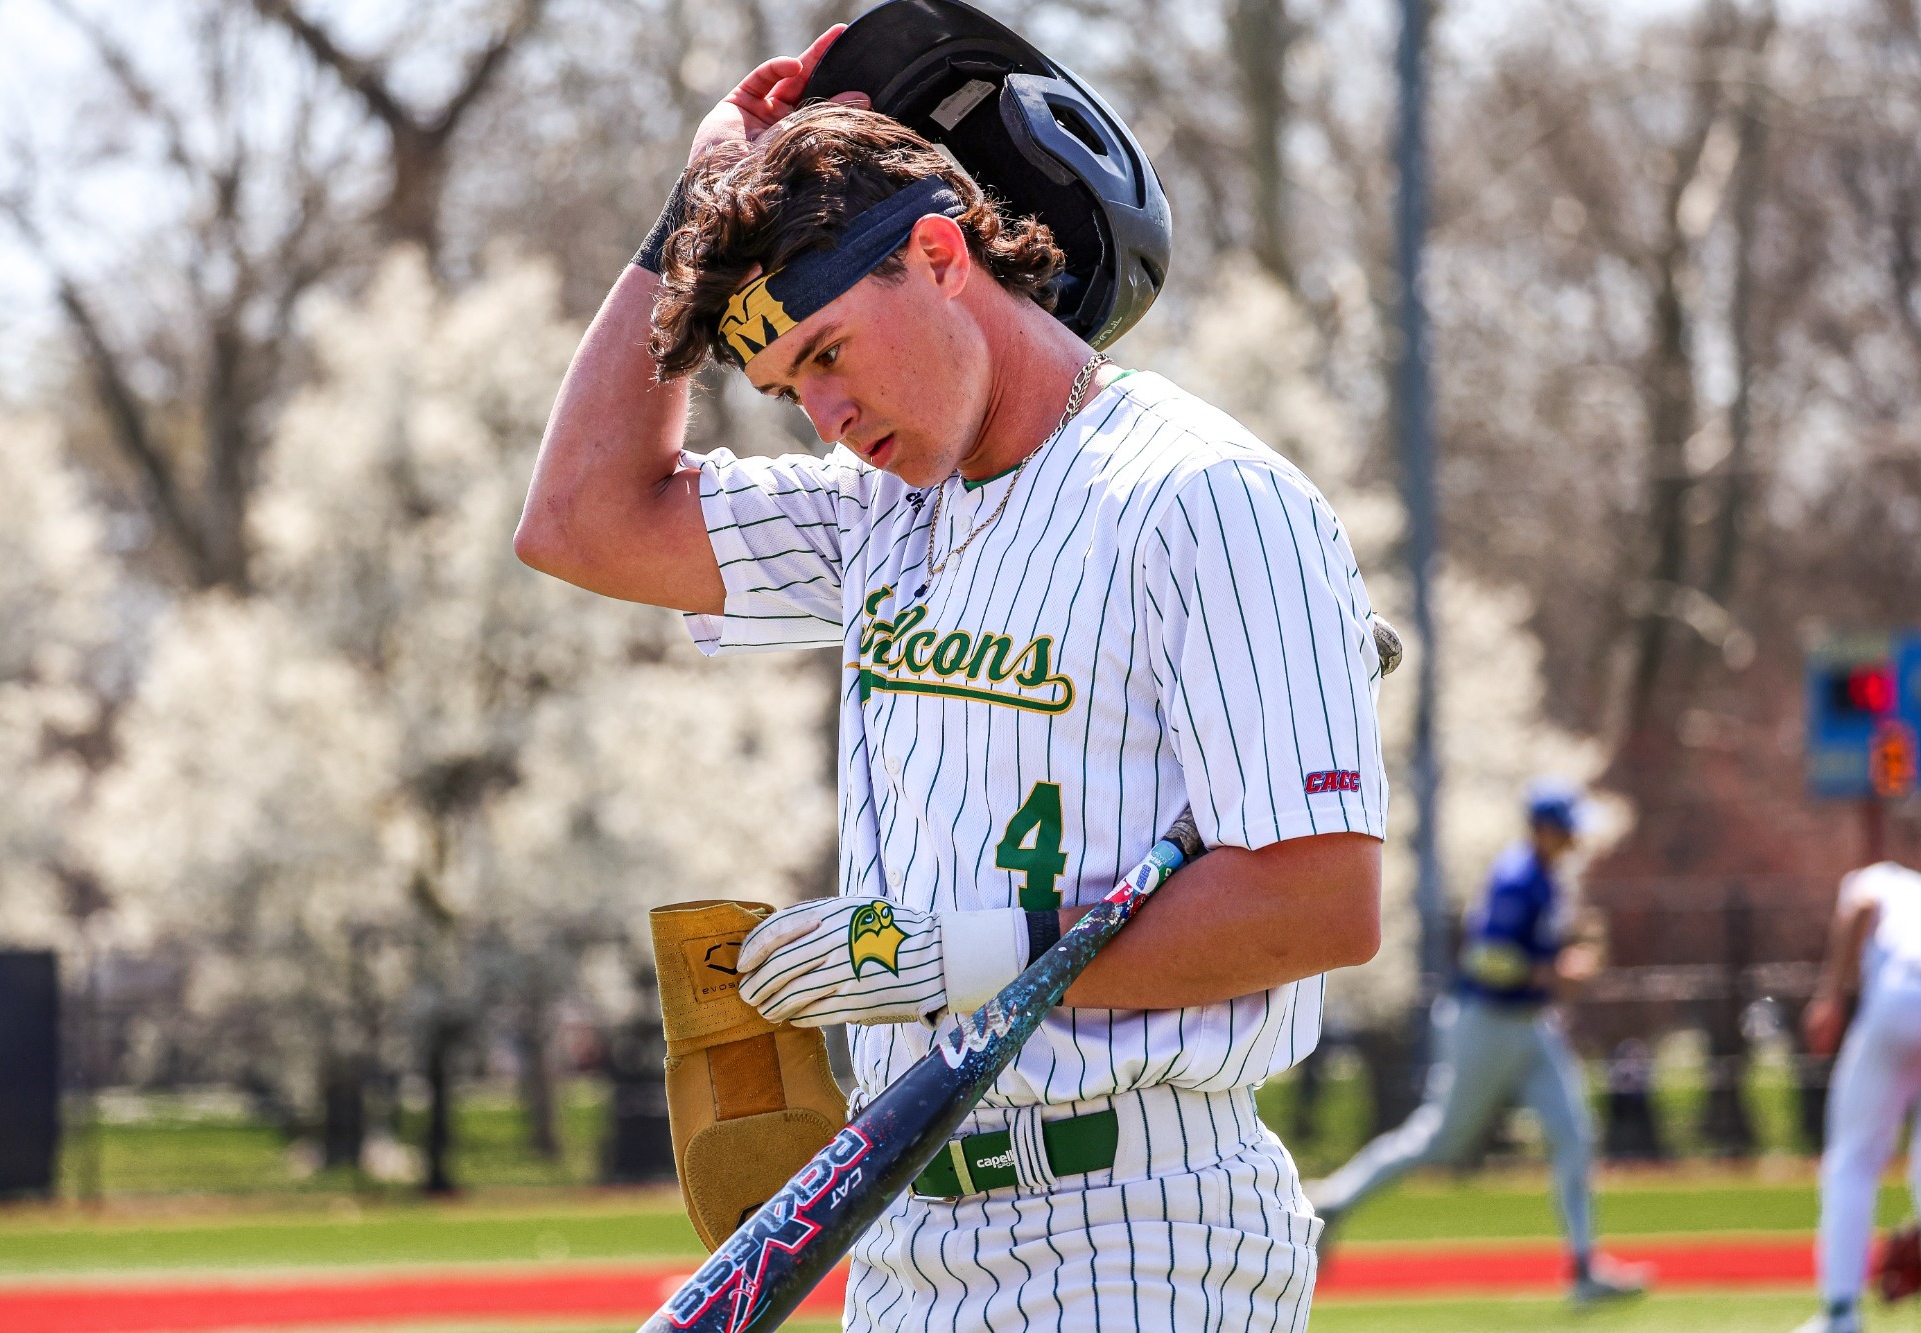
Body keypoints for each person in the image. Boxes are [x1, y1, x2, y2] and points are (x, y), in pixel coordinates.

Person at [513, 9, 1387, 1327]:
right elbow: (580, 518)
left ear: (937, 254)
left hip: (1140, 1229)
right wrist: (692, 202)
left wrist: (940, 956)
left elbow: (1319, 906)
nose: (831, 418)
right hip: (899, 1231)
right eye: (789, 391)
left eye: (828, 356)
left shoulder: (1205, 497)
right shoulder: (886, 513)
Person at [1304, 782, 1649, 1306]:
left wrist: (1565, 951)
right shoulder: (1517, 879)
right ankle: (1331, 1202)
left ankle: (1583, 1270)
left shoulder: (1545, 875)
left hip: (1528, 1023)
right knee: (1440, 1139)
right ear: (1543, 829)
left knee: (1574, 1133)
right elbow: (1487, 959)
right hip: (1486, 1022)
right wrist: (1556, 968)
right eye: (1566, 828)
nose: (1576, 838)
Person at [1796, 859, 1921, 1333]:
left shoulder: (1877, 877)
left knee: (1852, 1159)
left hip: (1898, 1000)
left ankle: (1841, 1314)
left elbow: (1862, 906)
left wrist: (1830, 995)